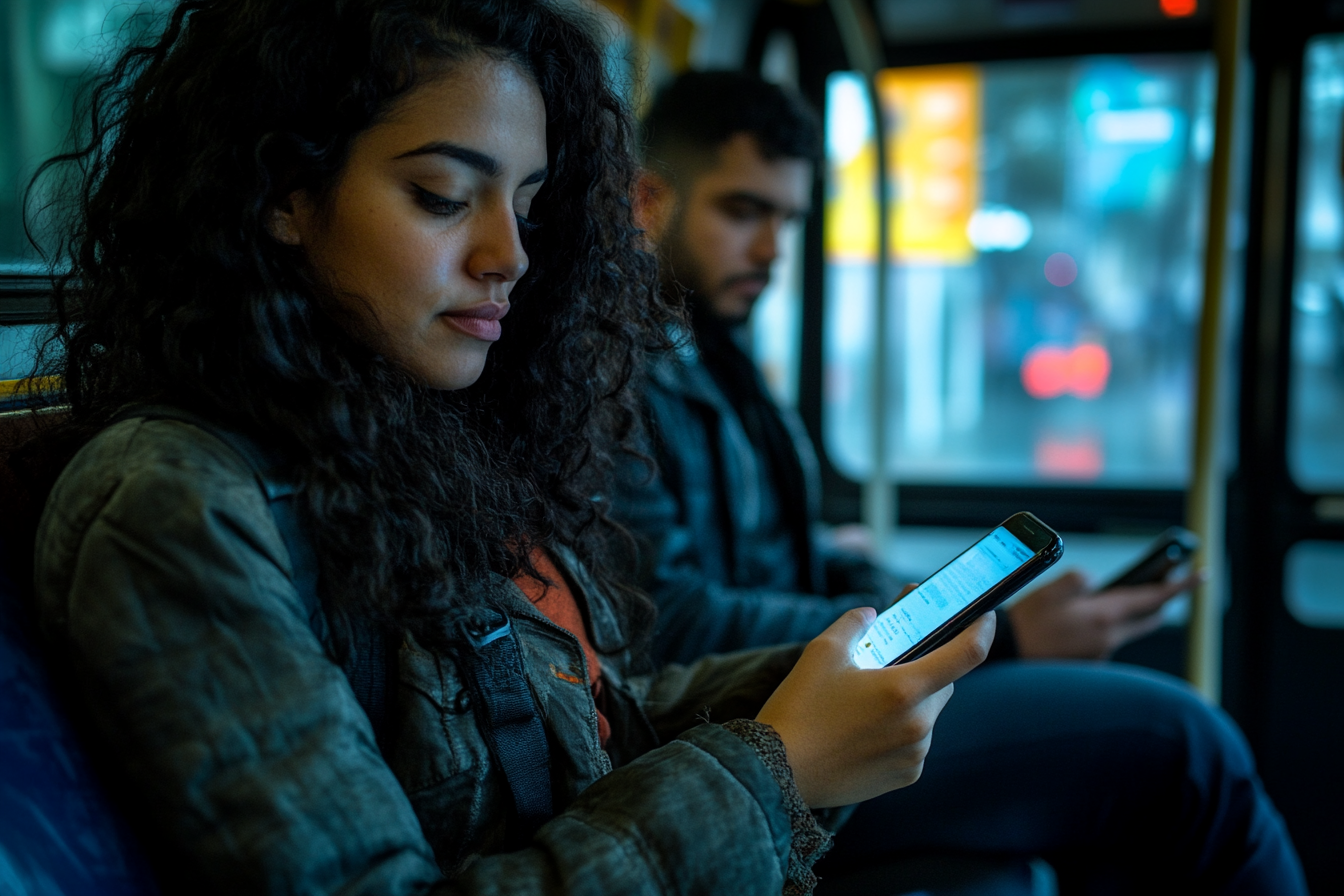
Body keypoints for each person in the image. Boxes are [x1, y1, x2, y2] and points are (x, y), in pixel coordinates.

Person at [20, 3, 997, 893]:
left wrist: (811, 684)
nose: (511, 255)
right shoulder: (176, 498)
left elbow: (578, 726)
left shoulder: (409, 439)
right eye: (445, 195)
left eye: (526, 206)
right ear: (283, 193)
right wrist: (775, 765)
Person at [618, 69, 1309, 894]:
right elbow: (672, 617)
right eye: (743, 212)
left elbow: (787, 552)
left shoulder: (722, 357)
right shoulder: (617, 376)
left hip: (819, 677)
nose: (771, 250)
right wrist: (1004, 636)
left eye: (786, 221)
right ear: (648, 202)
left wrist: (892, 593)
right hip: (760, 728)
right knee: (1187, 743)